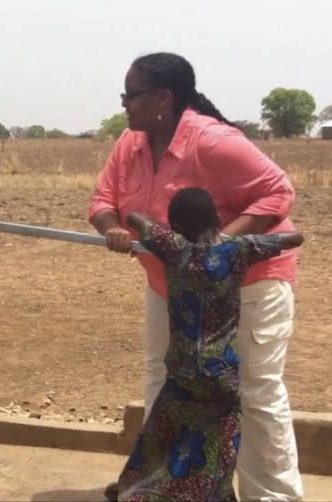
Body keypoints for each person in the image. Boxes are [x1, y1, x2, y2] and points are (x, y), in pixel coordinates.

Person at [88, 52, 304, 501]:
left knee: (252, 390)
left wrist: (219, 249)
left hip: (247, 288)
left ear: (164, 98)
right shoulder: (130, 144)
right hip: (170, 287)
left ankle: (272, 496)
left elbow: (277, 191)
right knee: (165, 380)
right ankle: (166, 486)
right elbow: (104, 200)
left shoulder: (213, 142)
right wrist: (111, 229)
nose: (124, 104)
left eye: (132, 95)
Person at [116, 187, 304, 502]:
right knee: (219, 447)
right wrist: (244, 240)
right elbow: (294, 239)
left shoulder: (172, 248)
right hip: (221, 373)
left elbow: (136, 219)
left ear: (175, 227)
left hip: (182, 372)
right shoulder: (237, 250)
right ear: (217, 219)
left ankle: (146, 491)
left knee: (166, 439)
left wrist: (153, 227)